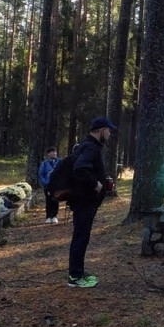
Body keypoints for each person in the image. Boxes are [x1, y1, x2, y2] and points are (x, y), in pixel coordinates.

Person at [67, 117, 118, 288]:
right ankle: (75, 276)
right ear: (102, 130)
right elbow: (80, 168)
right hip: (84, 201)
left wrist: (102, 179)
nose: (110, 134)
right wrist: (95, 183)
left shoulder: (88, 145)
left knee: (81, 236)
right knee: (81, 237)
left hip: (83, 200)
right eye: (109, 131)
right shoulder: (91, 147)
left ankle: (77, 272)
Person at [38, 147, 60, 224]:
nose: (54, 154)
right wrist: (45, 183)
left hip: (57, 185)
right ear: (48, 154)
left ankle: (54, 216)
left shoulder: (59, 162)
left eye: (55, 152)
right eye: (52, 152)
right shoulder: (44, 163)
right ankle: (48, 216)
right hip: (47, 186)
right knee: (48, 200)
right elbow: (41, 174)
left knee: (56, 200)